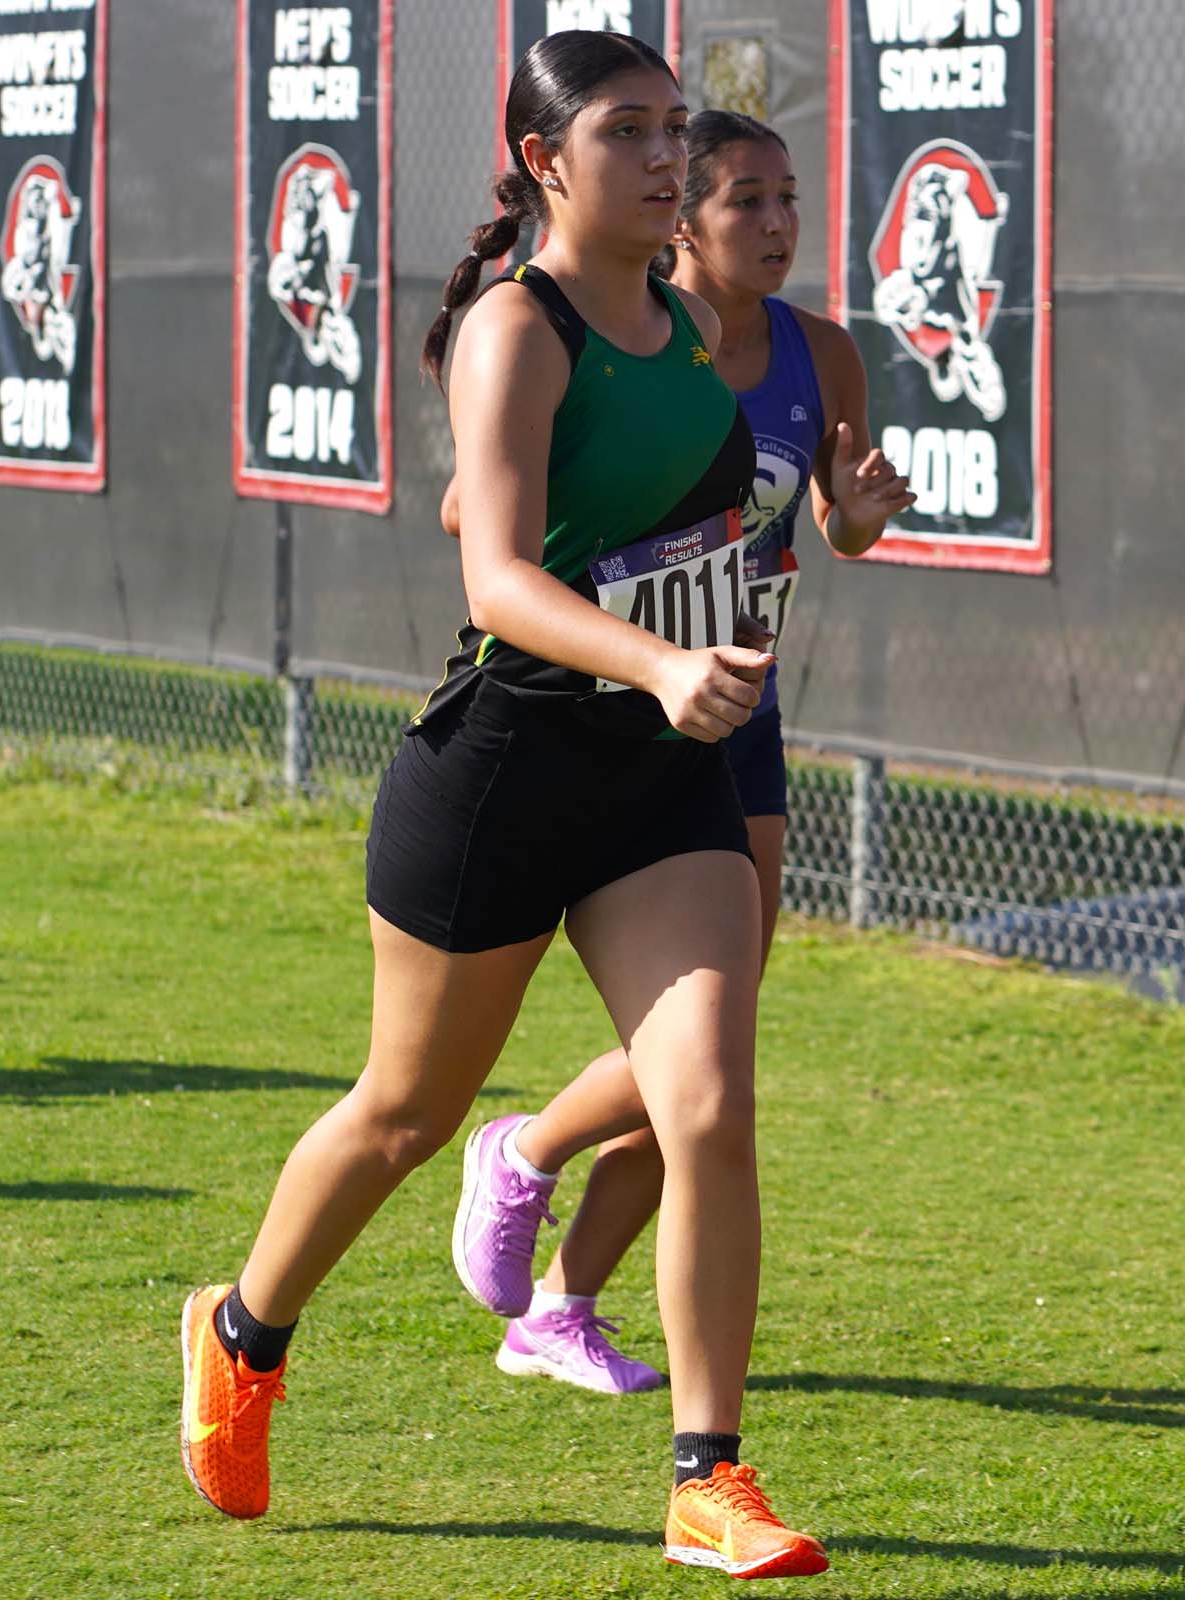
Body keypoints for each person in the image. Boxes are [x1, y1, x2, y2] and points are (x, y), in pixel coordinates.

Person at [180, 34, 829, 1581]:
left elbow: (714, 527)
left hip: (656, 789)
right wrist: (660, 667)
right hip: (506, 768)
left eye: (678, 130)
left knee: (711, 1104)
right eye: (629, 132)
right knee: (404, 1113)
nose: (667, 158)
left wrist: (837, 519)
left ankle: (707, 1478)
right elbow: (497, 575)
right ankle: (242, 1333)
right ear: (548, 161)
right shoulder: (515, 328)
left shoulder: (686, 322)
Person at [450, 110, 913, 1393]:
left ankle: (555, 1286)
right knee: (694, 1050)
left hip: (732, 710)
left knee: (715, 1041)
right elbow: (475, 513)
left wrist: (856, 515)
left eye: (790, 200)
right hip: (596, 710)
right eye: (745, 202)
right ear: (684, 220)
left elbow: (827, 523)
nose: (775, 226)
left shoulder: (823, 351)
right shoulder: (617, 339)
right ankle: (526, 1160)